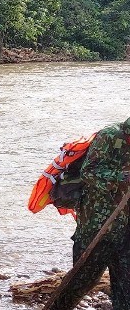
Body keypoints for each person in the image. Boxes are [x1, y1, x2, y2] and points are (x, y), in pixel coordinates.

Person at [48, 117, 130, 310]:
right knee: (80, 282)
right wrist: (123, 177)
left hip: (125, 229)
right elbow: (89, 172)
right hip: (96, 225)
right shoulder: (110, 136)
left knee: (126, 287)